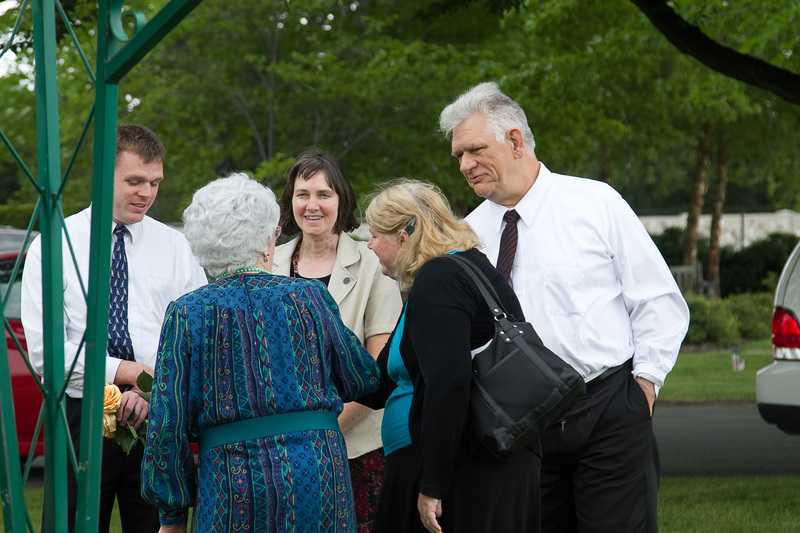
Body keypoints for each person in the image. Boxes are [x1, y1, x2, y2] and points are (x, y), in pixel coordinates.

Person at [439, 82, 691, 532]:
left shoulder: (595, 203)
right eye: (458, 155)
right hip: (520, 431)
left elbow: (657, 298)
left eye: (474, 149)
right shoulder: (465, 236)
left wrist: (645, 388)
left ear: (514, 140)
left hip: (609, 409)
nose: (464, 165)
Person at [140, 172, 381, 533]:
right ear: (268, 241)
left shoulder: (188, 313)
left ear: (202, 246)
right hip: (317, 476)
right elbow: (362, 379)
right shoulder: (308, 297)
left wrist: (171, 515)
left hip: (231, 482)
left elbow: (166, 423)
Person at [20, 124, 208, 533]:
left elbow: (197, 338)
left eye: (155, 182)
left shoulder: (177, 248)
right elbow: (47, 357)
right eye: (135, 181)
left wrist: (146, 389)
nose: (147, 193)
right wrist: (128, 372)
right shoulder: (55, 243)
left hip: (158, 417)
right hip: (80, 420)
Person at [361, 179, 540, 533]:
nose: (369, 245)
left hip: (463, 467)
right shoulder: (463, 268)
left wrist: (432, 484)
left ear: (404, 234)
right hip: (479, 458)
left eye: (374, 234)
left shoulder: (439, 279)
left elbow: (449, 382)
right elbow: (376, 385)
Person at [272, 147, 403, 532]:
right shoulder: (269, 262)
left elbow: (379, 368)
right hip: (279, 450)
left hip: (355, 448)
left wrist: (321, 433)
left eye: (324, 194)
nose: (312, 205)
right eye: (303, 194)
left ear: (341, 200)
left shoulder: (372, 265)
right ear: (290, 201)